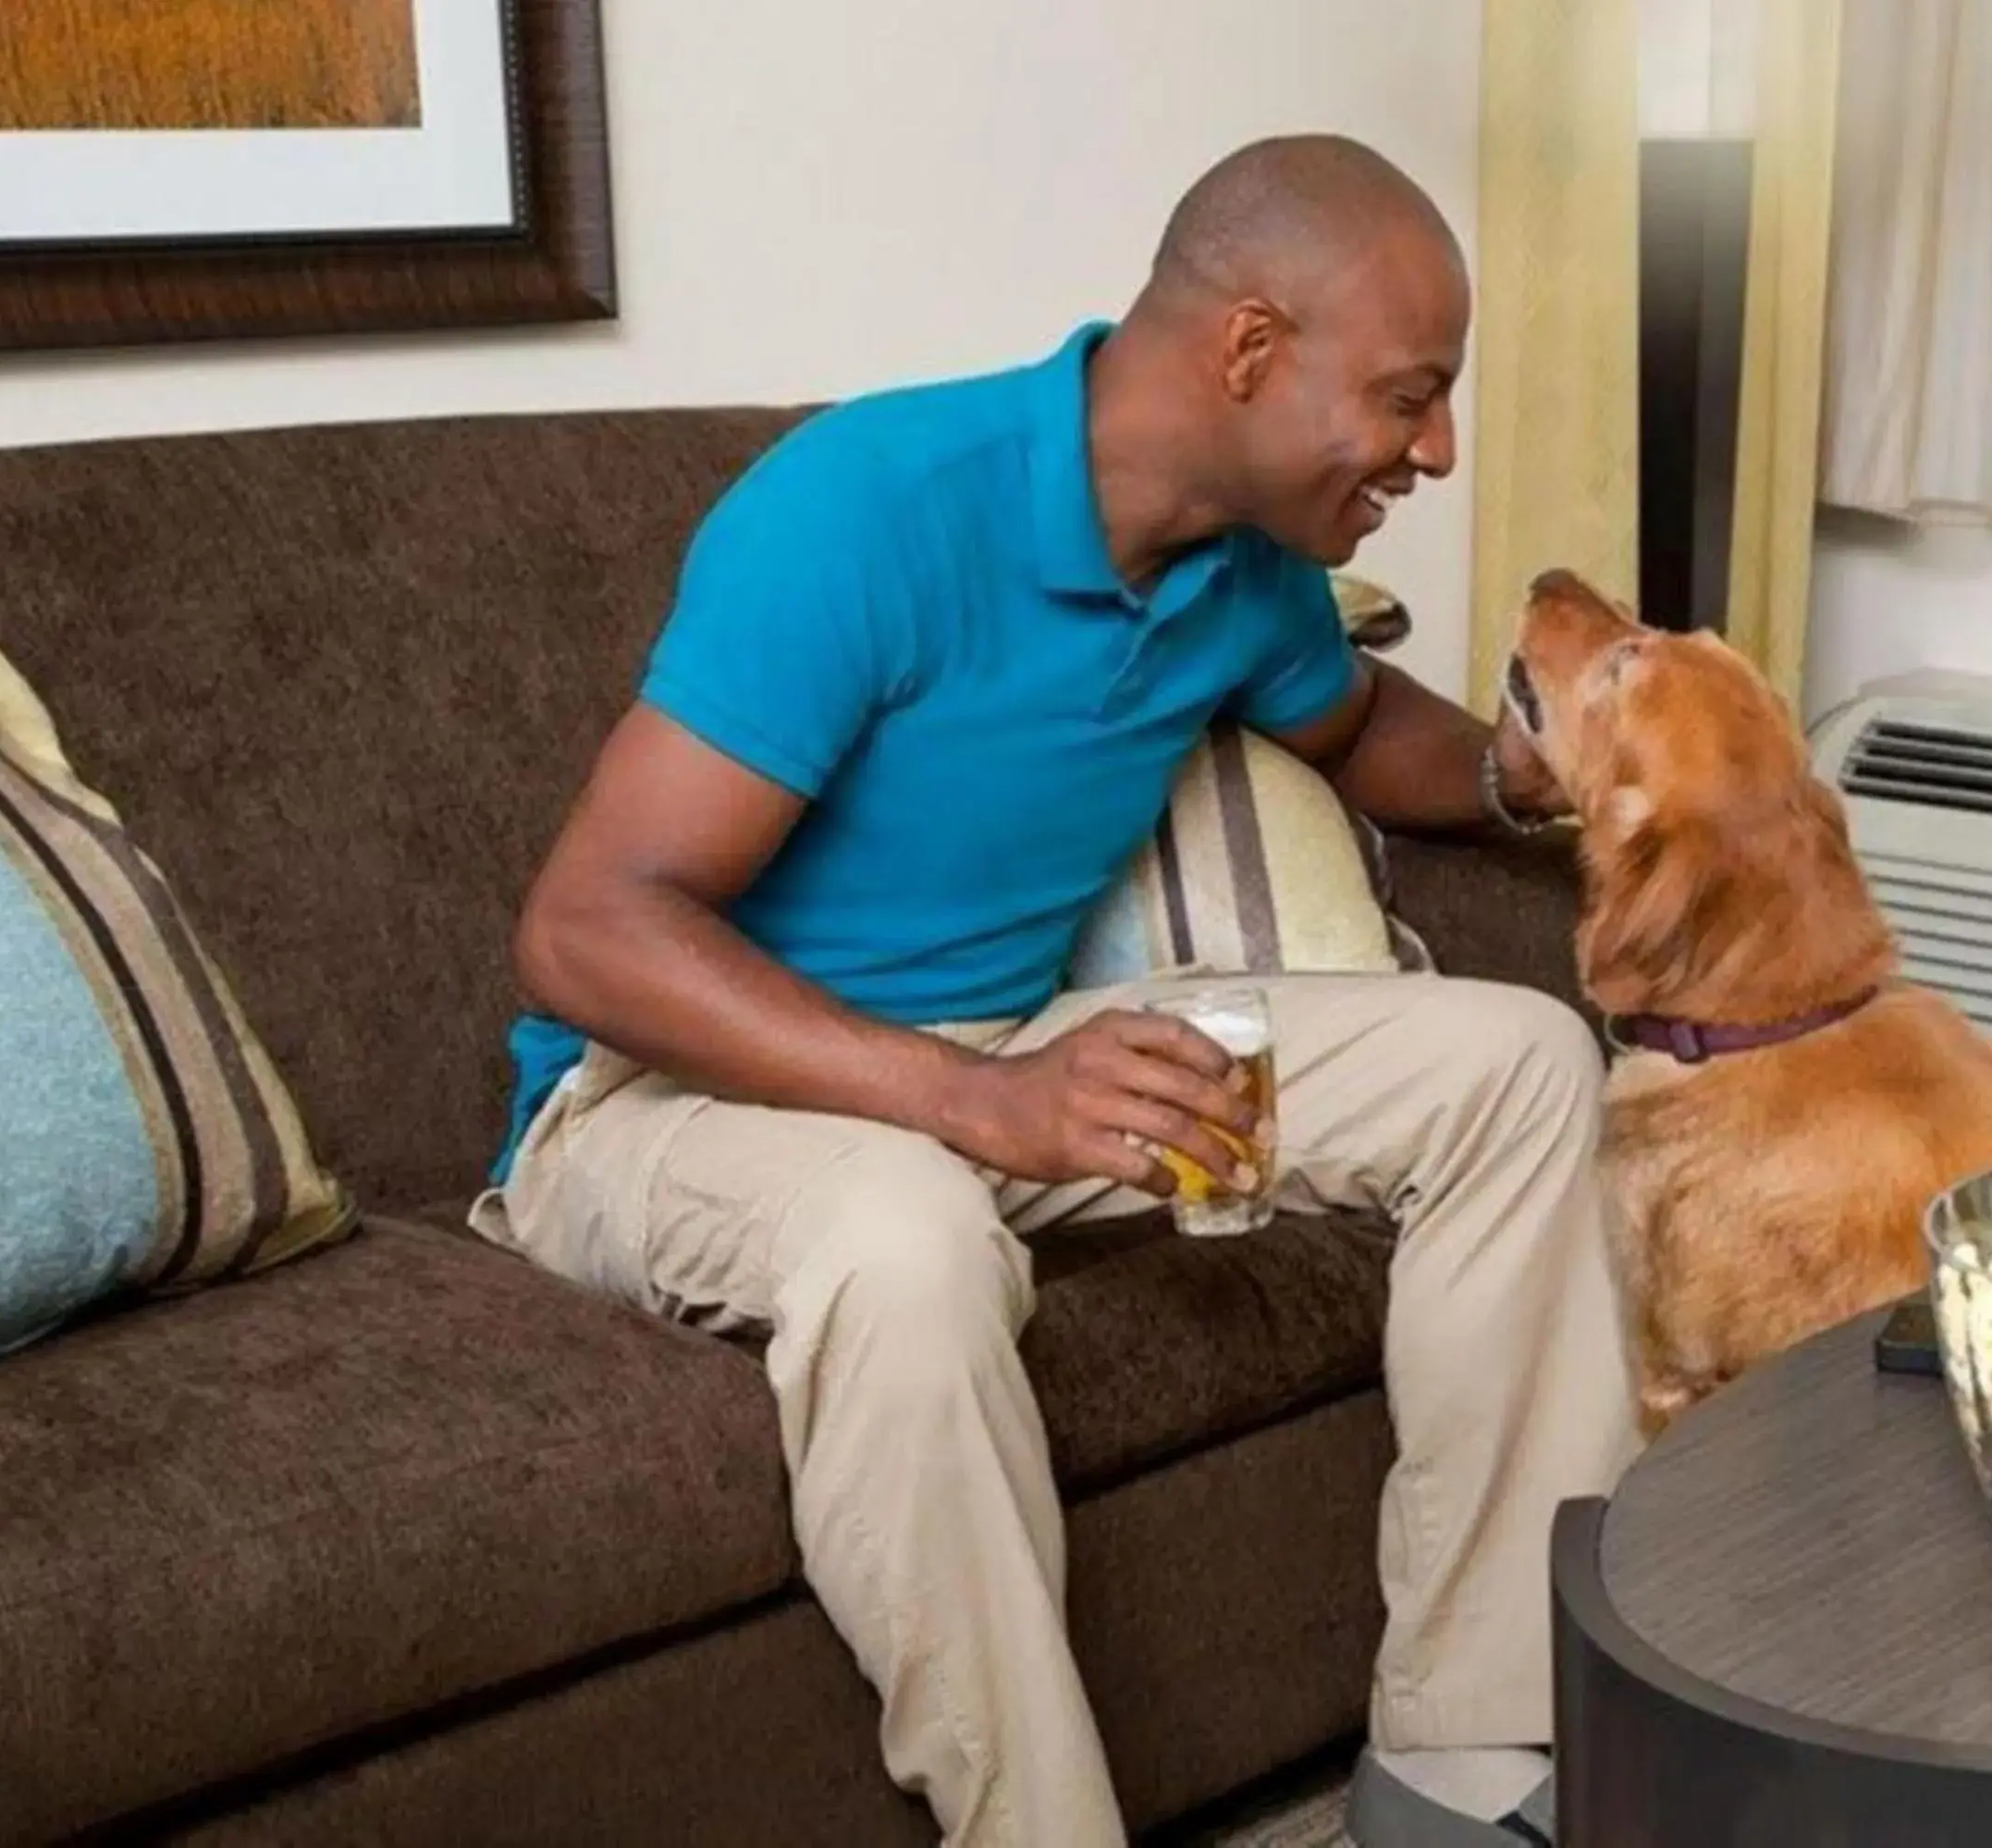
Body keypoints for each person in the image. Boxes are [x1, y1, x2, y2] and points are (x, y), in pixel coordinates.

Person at [468, 133, 1640, 1848]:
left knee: (1523, 1064)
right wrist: (979, 1103)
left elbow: (1364, 728)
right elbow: (586, 931)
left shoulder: (1245, 569)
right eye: (1409, 397)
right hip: (671, 1105)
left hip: (999, 1062)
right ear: (1250, 351)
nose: (1438, 451)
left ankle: (1469, 1764)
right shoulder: (870, 505)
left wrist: (1527, 779)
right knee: (908, 1232)